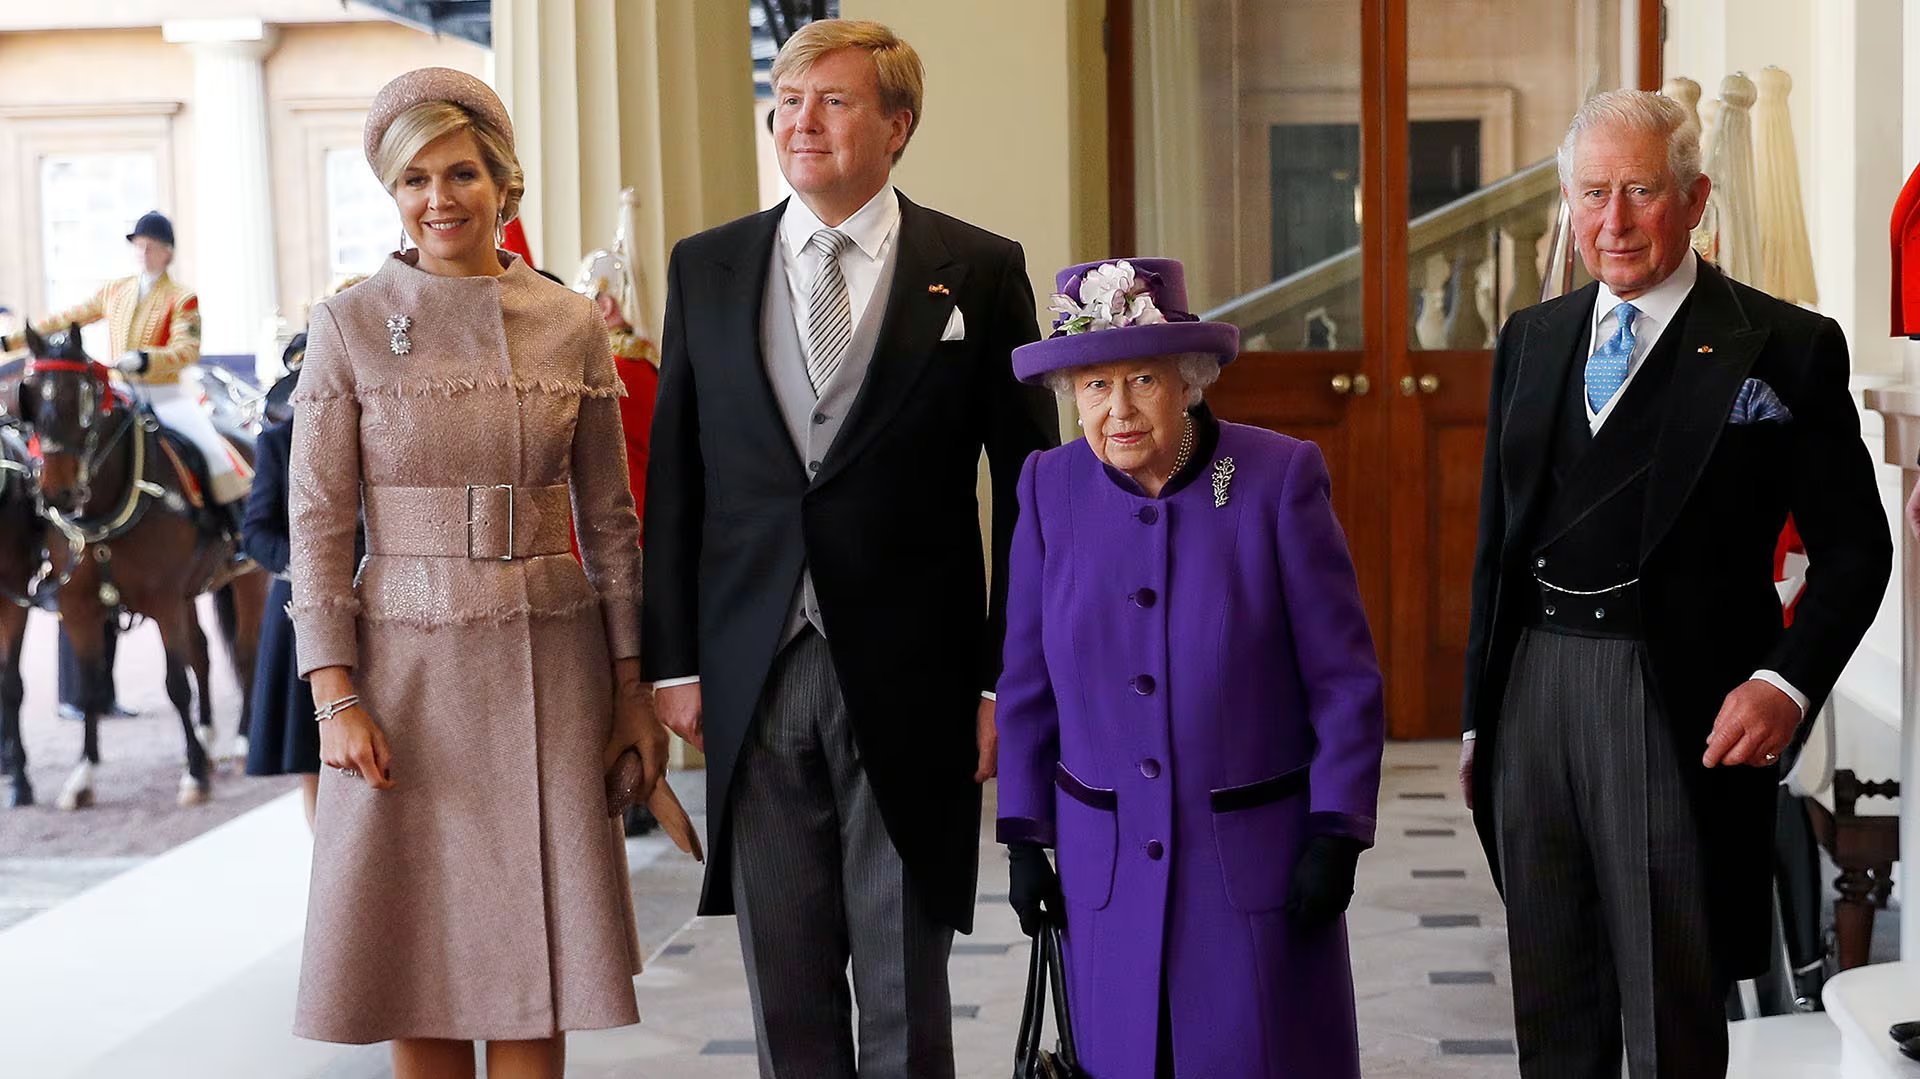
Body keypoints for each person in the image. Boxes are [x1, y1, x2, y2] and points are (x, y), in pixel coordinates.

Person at [641, 19, 1056, 1076]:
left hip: (920, 677)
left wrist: (1003, 681)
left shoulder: (979, 269)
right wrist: (674, 661)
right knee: (785, 986)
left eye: (832, 100)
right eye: (787, 100)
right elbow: (677, 479)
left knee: (906, 985)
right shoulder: (706, 266)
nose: (801, 122)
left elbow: (1030, 496)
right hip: (754, 665)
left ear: (898, 125)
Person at [1460, 89, 1892, 1078]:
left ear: (1695, 200)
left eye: (1641, 192)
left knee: (1673, 1009)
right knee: (1552, 1002)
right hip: (1533, 695)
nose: (1613, 221)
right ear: (1569, 205)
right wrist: (1482, 718)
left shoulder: (1783, 345)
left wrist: (1785, 682)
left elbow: (1857, 551)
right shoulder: (1531, 337)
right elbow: (1496, 544)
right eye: (1592, 194)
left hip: (1676, 702)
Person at [287, 67, 669, 1079]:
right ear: (392, 192)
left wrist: (631, 686)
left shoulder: (569, 321)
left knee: (536, 967)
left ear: (504, 182)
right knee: (420, 959)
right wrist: (335, 695)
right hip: (401, 682)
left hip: (551, 667)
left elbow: (611, 523)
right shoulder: (349, 323)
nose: (439, 198)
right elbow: (317, 524)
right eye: (413, 179)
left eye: (460, 172)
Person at [993, 258, 1384, 1078]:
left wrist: (1336, 829)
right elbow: (1027, 682)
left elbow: (1343, 677)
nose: (1119, 409)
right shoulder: (1048, 487)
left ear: (1189, 380)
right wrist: (1025, 834)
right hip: (1104, 869)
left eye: (1142, 379)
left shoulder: (1277, 478)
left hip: (1251, 867)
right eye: (1095, 386)